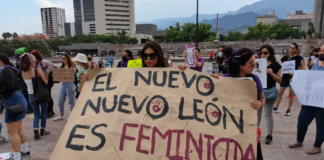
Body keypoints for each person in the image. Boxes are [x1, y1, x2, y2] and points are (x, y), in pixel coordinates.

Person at [288, 45, 324, 155]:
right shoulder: (315, 64)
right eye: (321, 49)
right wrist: (297, 79)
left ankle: (317, 146)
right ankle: (299, 141)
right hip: (310, 99)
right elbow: (308, 79)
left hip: (322, 102)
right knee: (302, 120)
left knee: (321, 124)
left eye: (323, 50)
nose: (321, 52)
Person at [0, 54, 30, 160]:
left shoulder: (4, 71)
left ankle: (17, 157)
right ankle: (25, 151)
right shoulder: (9, 70)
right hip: (18, 100)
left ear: (0, 62)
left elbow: (10, 86)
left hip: (13, 102)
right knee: (19, 129)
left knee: (12, 132)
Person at [20, 53, 50, 140]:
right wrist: (46, 75)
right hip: (41, 95)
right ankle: (42, 131)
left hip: (31, 95)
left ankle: (36, 133)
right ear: (32, 62)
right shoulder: (37, 70)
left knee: (36, 114)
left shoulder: (23, 73)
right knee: (44, 112)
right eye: (34, 62)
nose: (35, 63)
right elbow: (46, 82)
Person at [259, 45, 282, 145]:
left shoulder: (276, 65)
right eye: (261, 52)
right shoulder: (257, 63)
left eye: (265, 53)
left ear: (270, 53)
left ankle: (269, 134)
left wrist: (272, 73)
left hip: (269, 91)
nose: (262, 54)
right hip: (258, 92)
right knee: (257, 114)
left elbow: (280, 80)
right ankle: (256, 132)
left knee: (268, 113)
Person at [274, 43, 305, 116]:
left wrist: (295, 73)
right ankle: (276, 107)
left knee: (291, 94)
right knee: (280, 93)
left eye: (293, 48)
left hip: (293, 78)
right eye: (290, 47)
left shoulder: (299, 58)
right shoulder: (285, 58)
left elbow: (303, 68)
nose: (291, 49)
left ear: (296, 50)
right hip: (284, 77)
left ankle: (288, 109)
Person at [30, 50, 55, 118]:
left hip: (47, 80)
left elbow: (51, 64)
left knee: (48, 95)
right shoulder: (37, 62)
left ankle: (49, 111)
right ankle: (50, 111)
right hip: (42, 80)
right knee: (47, 95)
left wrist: (46, 73)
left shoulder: (42, 61)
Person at [53, 54, 76, 121]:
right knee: (60, 100)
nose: (63, 60)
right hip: (63, 84)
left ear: (68, 58)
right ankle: (61, 114)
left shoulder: (72, 66)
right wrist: (55, 75)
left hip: (70, 84)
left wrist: (73, 70)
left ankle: (72, 116)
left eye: (65, 58)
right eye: (62, 58)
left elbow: (74, 73)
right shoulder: (61, 66)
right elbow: (59, 78)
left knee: (71, 101)